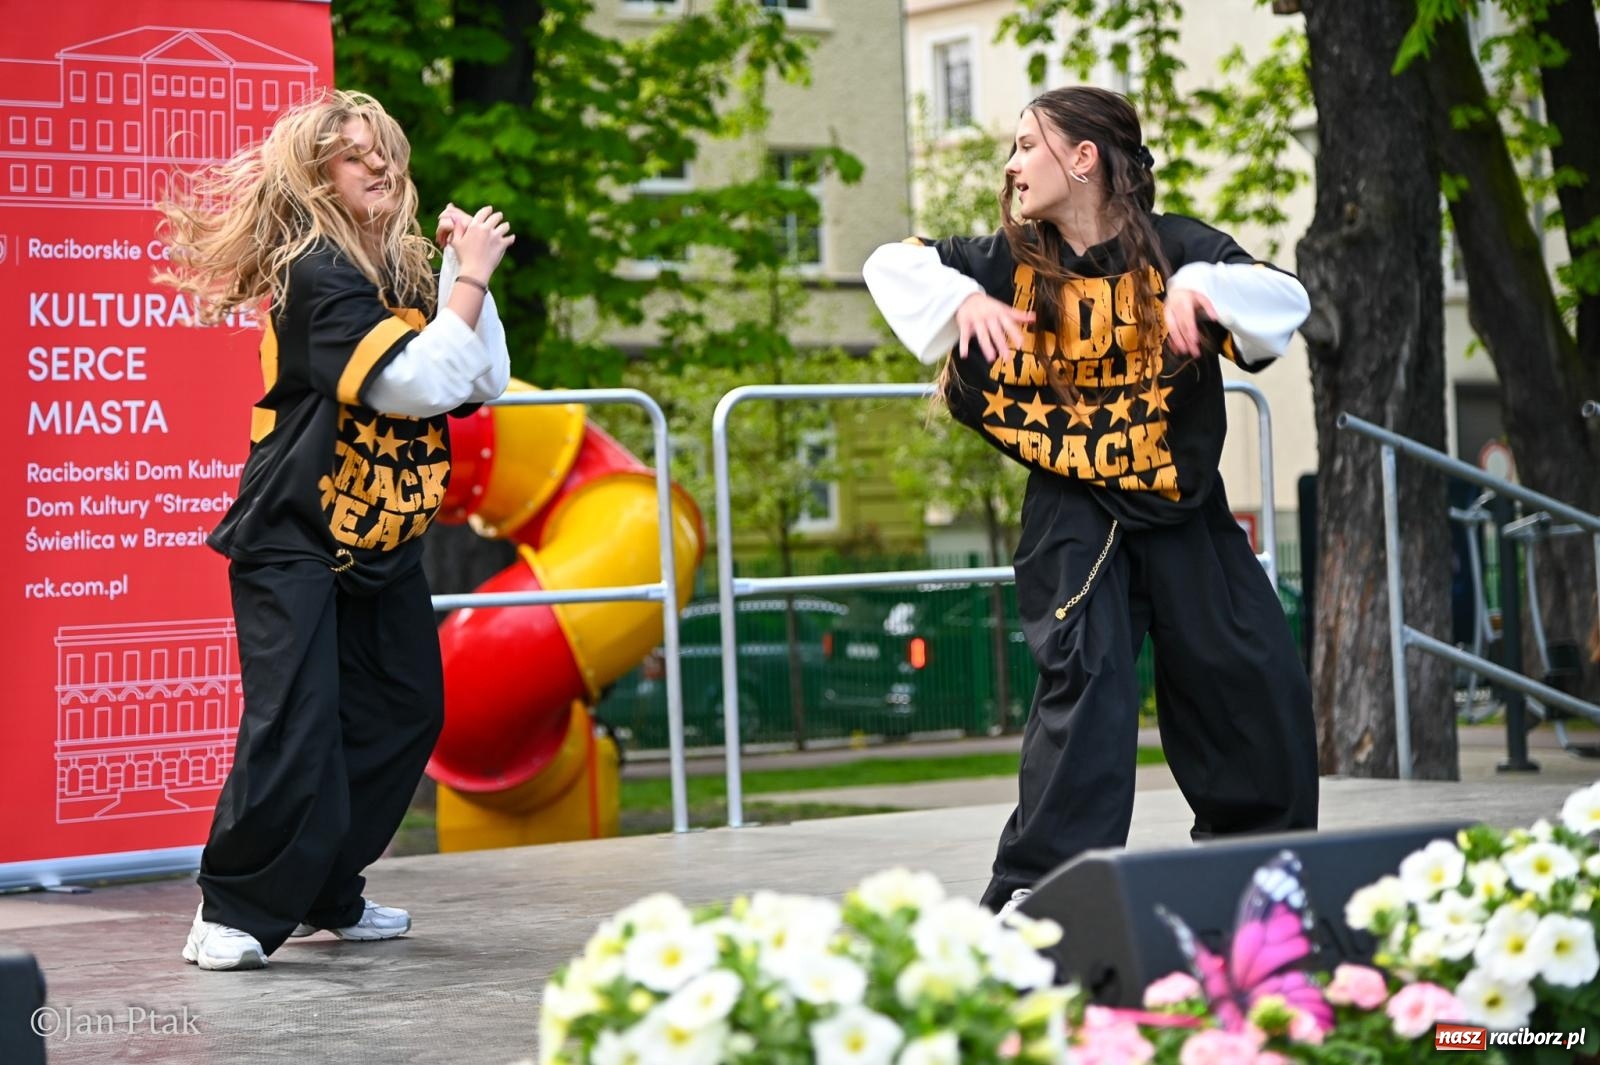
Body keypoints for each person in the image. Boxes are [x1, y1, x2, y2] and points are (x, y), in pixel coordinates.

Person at [863, 86, 1319, 915]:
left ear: (1083, 158)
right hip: (1077, 513)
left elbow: (1286, 297)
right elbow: (891, 263)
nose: (1011, 165)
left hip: (1182, 508)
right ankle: (1040, 898)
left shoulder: (1178, 251)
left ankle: (1262, 882)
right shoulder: (1006, 262)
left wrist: (1205, 292)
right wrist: (963, 299)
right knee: (1089, 682)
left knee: (1250, 675)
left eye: (1025, 145)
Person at [156, 90, 513, 970]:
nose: (381, 165)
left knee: (403, 712)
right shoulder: (316, 272)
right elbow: (412, 387)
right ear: (318, 176)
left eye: (386, 148)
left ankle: (326, 889)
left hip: (381, 544)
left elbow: (481, 378)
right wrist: (466, 276)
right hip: (294, 540)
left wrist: (458, 277)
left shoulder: (392, 270)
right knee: (296, 723)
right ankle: (230, 907)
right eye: (357, 155)